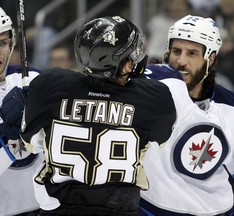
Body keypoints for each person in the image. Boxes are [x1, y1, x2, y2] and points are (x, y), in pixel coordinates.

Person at [19, 16, 179, 216]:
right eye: (132, 55)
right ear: (125, 64)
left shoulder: (49, 85)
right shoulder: (154, 97)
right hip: (119, 208)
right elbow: (161, 140)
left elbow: (31, 144)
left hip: (58, 207)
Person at [139, 15, 234, 215]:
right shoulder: (142, 95)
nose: (181, 61)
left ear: (210, 58)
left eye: (192, 53)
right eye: (176, 51)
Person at [0, 7, 43, 216]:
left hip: (43, 207)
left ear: (11, 44)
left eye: (2, 43)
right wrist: (9, 140)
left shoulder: (33, 79)